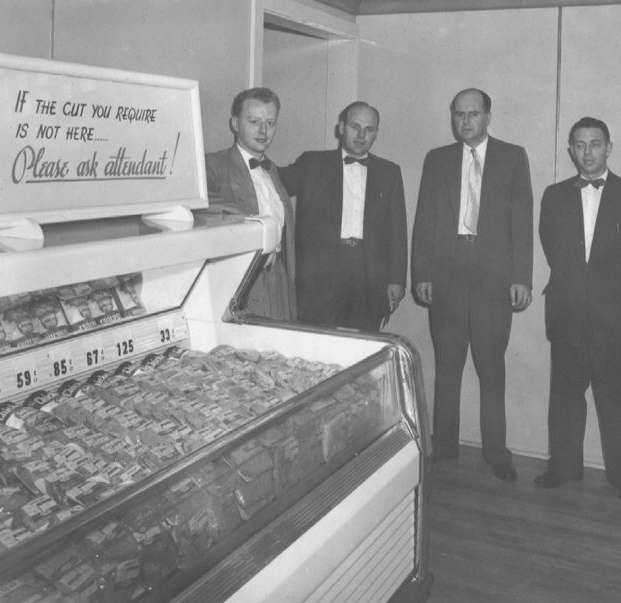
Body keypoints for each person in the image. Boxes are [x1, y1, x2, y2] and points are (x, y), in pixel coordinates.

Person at [535, 117, 621, 506]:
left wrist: (610, 292)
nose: (587, 152)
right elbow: (552, 248)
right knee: (566, 398)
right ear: (570, 150)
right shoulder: (554, 196)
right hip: (568, 315)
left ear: (609, 148)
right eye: (580, 145)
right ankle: (564, 468)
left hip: (617, 321)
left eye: (595, 144)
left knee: (616, 401)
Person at [412, 88, 533, 481]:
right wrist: (422, 273)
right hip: (446, 273)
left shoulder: (513, 157)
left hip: (493, 278)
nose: (465, 122)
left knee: (491, 368)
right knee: (447, 365)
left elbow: (521, 222)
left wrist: (522, 278)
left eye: (473, 114)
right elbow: (425, 220)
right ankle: (444, 445)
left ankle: (496, 451)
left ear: (488, 116)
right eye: (459, 114)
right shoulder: (438, 159)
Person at [279, 101, 407, 331]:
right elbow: (274, 183)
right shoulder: (313, 164)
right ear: (341, 128)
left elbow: (398, 231)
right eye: (354, 126)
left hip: (368, 275)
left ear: (376, 133)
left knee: (363, 345)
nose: (361, 135)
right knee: (317, 343)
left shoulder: (390, 172)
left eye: (369, 129)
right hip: (322, 273)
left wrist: (397, 280)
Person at [205, 87, 296, 321]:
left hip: (278, 281)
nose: (263, 131)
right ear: (235, 123)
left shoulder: (272, 170)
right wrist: (259, 228)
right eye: (254, 121)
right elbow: (204, 203)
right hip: (242, 282)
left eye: (270, 123)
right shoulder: (214, 165)